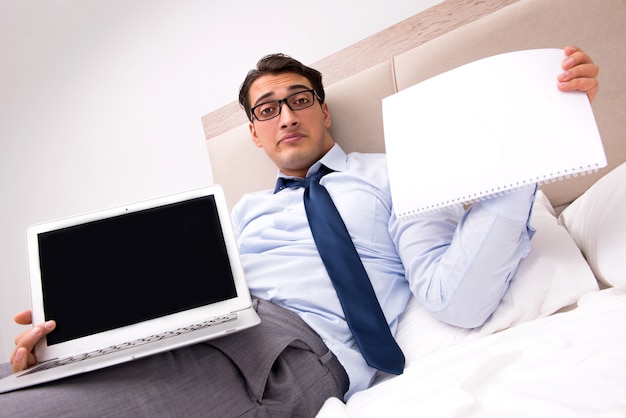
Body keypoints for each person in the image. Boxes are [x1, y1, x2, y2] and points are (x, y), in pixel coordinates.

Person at [1, 46, 599, 416]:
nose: (286, 115)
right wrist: (75, 341)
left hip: (289, 356)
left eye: (299, 99)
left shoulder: (396, 176)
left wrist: (534, 138)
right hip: (202, 329)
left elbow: (456, 297)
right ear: (256, 135)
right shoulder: (239, 217)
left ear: (324, 111)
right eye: (267, 110)